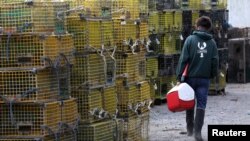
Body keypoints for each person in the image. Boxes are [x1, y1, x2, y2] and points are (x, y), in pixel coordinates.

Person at [176, 16, 219, 141]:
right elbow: (215, 61)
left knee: (189, 102)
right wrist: (212, 74)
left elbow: (183, 59)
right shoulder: (212, 43)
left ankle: (190, 128)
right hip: (204, 79)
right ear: (209, 27)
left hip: (190, 78)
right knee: (201, 104)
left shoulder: (190, 40)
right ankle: (198, 133)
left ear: (197, 26)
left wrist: (179, 76)